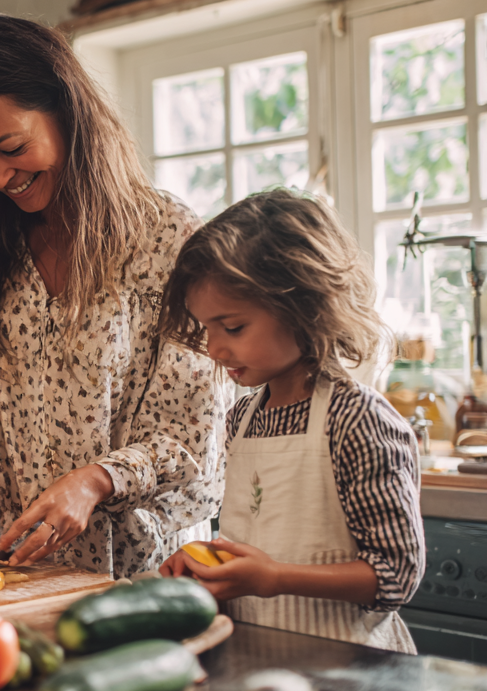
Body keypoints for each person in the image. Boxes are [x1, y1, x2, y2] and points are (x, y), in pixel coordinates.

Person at [0, 14, 228, 575]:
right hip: (10, 573)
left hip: (146, 578)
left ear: (67, 111)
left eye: (11, 147)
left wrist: (95, 481)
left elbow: (196, 432)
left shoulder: (166, 239)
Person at [157, 189, 423, 652]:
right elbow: (259, 537)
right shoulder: (244, 417)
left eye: (233, 327)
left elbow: (395, 575)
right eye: (207, 329)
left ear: (304, 307)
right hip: (259, 660)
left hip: (349, 668)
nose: (214, 350)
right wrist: (209, 562)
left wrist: (274, 578)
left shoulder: (356, 418)